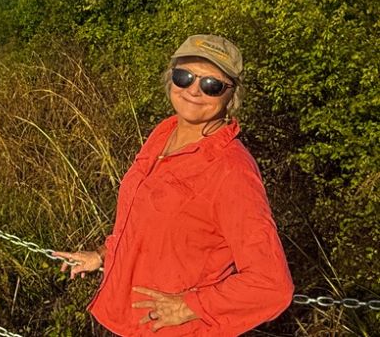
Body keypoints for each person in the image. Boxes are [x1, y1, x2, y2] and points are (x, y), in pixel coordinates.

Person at [55, 34, 293, 335]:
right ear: (171, 79)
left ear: (231, 96)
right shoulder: (164, 133)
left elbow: (271, 284)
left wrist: (190, 306)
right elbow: (145, 221)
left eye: (211, 85)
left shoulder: (230, 169)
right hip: (130, 323)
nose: (194, 90)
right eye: (184, 77)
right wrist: (102, 255)